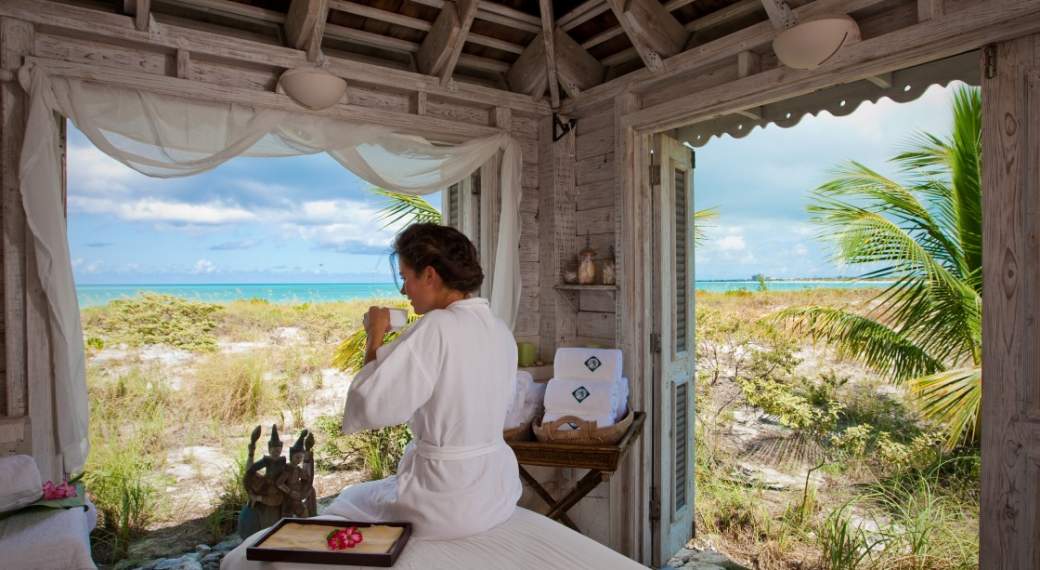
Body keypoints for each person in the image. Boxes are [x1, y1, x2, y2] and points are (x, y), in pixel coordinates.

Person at [325, 223, 522, 540]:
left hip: (445, 500)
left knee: (346, 501)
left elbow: (371, 401)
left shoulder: (437, 326)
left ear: (429, 275)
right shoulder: (500, 330)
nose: (404, 291)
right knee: (367, 494)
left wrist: (375, 334)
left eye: (405, 278)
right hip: (498, 491)